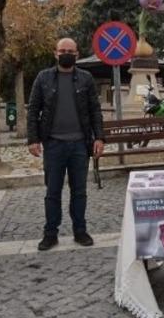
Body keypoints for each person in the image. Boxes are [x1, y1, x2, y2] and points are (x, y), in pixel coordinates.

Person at [27, 37, 105, 251]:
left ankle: (80, 231)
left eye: (71, 51)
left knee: (79, 191)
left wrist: (99, 137)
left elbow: (95, 110)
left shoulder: (86, 78)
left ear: (77, 54)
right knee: (52, 192)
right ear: (55, 53)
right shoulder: (43, 77)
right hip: (53, 145)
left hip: (80, 145)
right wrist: (33, 139)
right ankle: (50, 233)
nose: (66, 54)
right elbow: (33, 110)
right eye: (63, 51)